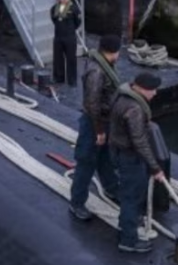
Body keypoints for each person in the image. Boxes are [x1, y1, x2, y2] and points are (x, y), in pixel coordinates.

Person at [109, 71, 164, 254]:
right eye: (152, 89)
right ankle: (128, 241)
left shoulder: (121, 96)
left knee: (127, 194)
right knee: (132, 198)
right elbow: (139, 141)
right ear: (140, 88)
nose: (155, 93)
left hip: (118, 151)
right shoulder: (135, 109)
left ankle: (124, 225)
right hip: (130, 158)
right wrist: (155, 168)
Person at [69, 34, 122, 222]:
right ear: (114, 52)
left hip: (106, 121)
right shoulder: (97, 72)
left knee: (105, 158)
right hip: (94, 123)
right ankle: (76, 203)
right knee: (86, 161)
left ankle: (111, 188)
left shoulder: (105, 65)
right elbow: (92, 104)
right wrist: (99, 130)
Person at [51, 0, 81, 85]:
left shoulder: (74, 9)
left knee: (71, 59)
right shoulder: (54, 8)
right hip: (58, 36)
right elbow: (54, 19)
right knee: (58, 58)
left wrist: (70, 29)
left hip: (70, 37)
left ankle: (72, 80)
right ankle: (58, 78)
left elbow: (78, 22)